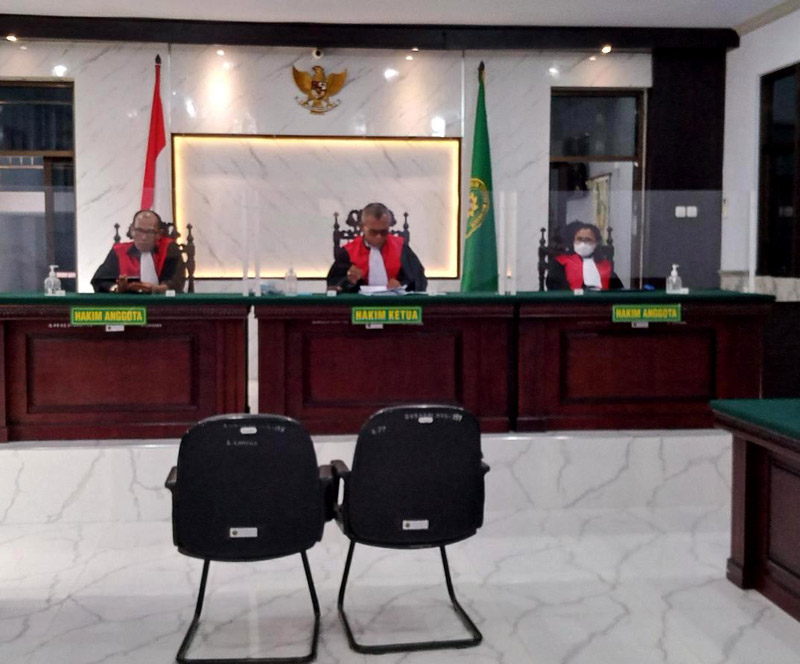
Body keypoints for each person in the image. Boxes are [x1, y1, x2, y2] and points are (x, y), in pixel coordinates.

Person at [326, 202, 427, 293]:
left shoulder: (400, 248)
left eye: (384, 232)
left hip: (395, 304)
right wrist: (349, 281)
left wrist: (401, 284)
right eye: (373, 232)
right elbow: (333, 285)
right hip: (360, 305)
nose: (379, 237)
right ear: (362, 227)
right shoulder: (348, 252)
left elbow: (419, 280)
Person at [91, 210, 186, 293]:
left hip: (160, 304)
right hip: (128, 305)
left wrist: (154, 289)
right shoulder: (119, 251)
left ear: (159, 234)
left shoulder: (169, 248)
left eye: (150, 232)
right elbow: (99, 281)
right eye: (139, 231)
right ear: (132, 230)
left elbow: (177, 282)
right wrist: (116, 288)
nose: (144, 237)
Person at [546, 221, 623, 291]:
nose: (583, 243)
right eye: (579, 239)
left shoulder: (604, 264)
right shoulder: (560, 262)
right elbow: (554, 285)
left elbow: (617, 290)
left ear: (596, 243)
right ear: (573, 241)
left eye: (588, 240)